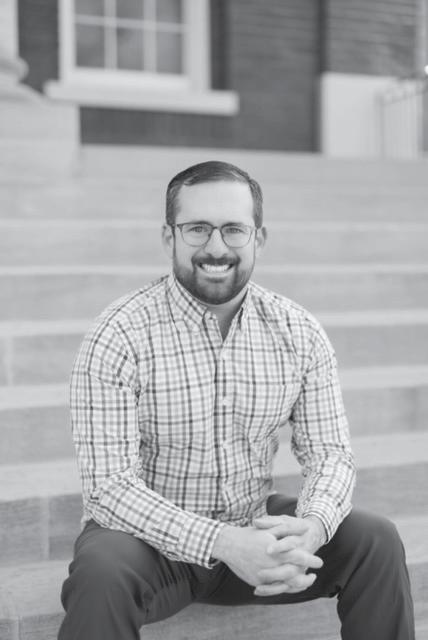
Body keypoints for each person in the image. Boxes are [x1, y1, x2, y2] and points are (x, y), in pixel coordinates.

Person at [58, 161, 415, 640]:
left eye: (233, 229)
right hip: (151, 545)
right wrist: (224, 542)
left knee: (376, 540)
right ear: (168, 238)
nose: (216, 247)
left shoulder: (298, 331)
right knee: (101, 571)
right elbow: (109, 488)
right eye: (197, 229)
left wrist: (312, 526)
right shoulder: (119, 334)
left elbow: (330, 454)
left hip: (256, 527)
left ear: (258, 239)